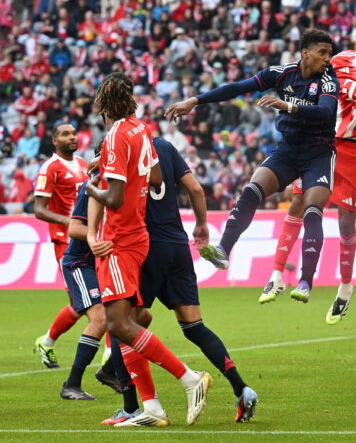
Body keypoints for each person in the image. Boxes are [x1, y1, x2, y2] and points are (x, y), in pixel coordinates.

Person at [165, 29, 339, 303]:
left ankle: (305, 280)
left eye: (329, 53)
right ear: (305, 53)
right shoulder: (281, 74)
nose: (327, 58)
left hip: (319, 154)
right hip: (288, 152)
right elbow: (237, 87)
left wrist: (288, 106)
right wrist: (195, 101)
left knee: (312, 209)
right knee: (251, 190)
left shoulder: (328, 80)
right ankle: (223, 249)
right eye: (322, 53)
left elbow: (327, 112)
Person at [86, 72, 211, 427]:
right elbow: (156, 178)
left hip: (119, 238)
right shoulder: (141, 129)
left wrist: (92, 183)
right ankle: (151, 407)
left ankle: (189, 378)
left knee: (120, 323)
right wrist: (113, 170)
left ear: (102, 103)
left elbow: (113, 196)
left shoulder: (113, 138)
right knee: (123, 322)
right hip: (139, 235)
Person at [261, 21, 356, 327]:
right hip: (320, 143)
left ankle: (346, 286)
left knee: (345, 219)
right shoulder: (337, 62)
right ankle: (276, 275)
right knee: (298, 203)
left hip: (353, 150)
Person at [132, 136, 257, 422]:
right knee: (194, 327)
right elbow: (196, 189)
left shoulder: (121, 144)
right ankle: (242, 389)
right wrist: (201, 223)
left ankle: (132, 406)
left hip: (147, 246)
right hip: (178, 246)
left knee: (123, 323)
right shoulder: (162, 145)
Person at [58, 153, 121, 401]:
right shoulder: (93, 184)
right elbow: (74, 228)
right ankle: (71, 384)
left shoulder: (120, 183)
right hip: (81, 263)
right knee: (100, 318)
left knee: (138, 315)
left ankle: (109, 370)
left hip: (102, 264)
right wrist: (103, 240)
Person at [33, 122, 90, 369]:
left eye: (73, 133)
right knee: (86, 303)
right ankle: (48, 342)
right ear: (54, 140)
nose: (71, 137)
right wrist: (69, 222)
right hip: (65, 242)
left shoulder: (84, 165)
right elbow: (38, 209)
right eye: (65, 134)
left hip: (88, 238)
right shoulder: (50, 168)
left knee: (97, 300)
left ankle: (47, 342)